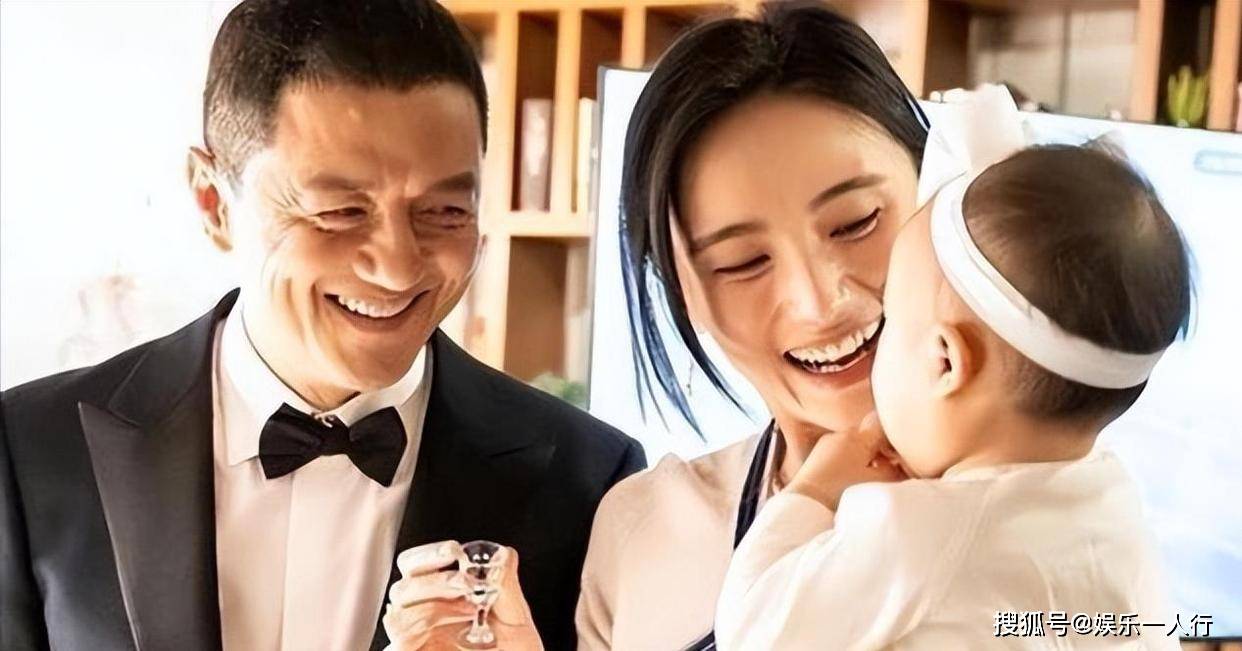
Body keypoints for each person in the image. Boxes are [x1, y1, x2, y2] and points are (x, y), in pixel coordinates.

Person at [0, 2, 644, 650]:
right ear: (213, 201)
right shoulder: (30, 451)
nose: (397, 268)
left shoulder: (592, 482)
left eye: (445, 211)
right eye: (340, 211)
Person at [385, 3, 930, 649]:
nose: (818, 302)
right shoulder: (647, 528)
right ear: (679, 288)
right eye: (743, 262)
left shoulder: (1042, 512)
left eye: (857, 222)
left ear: (940, 187)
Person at [714, 87, 1186, 649]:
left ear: (944, 361)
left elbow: (754, 631)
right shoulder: (1115, 507)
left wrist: (815, 490)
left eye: (893, 319)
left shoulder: (918, 532)